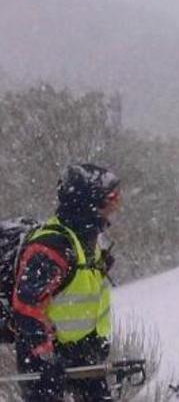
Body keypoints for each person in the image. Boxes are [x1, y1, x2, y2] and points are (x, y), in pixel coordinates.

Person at [12, 164, 120, 401]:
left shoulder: (88, 241)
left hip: (80, 352)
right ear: (89, 202)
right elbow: (26, 306)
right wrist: (45, 358)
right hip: (43, 358)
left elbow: (84, 298)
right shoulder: (53, 246)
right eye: (110, 199)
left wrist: (95, 341)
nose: (115, 207)